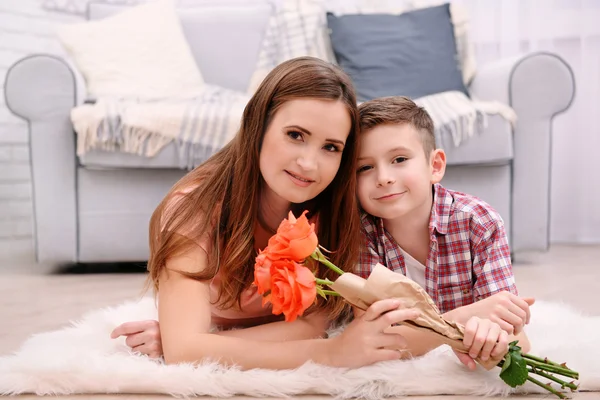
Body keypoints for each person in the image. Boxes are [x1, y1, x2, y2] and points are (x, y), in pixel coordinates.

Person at [111, 58, 508, 370]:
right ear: (258, 126)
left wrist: (202, 344)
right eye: (295, 135)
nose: (308, 164)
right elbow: (187, 352)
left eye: (331, 147)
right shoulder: (194, 210)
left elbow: (314, 325)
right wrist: (332, 355)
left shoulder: (330, 213)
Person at [354, 96, 535, 367]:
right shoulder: (359, 233)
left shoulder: (479, 222)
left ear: (435, 166)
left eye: (399, 159)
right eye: (365, 167)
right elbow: (374, 340)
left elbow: (516, 340)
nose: (383, 177)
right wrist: (463, 317)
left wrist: (496, 335)